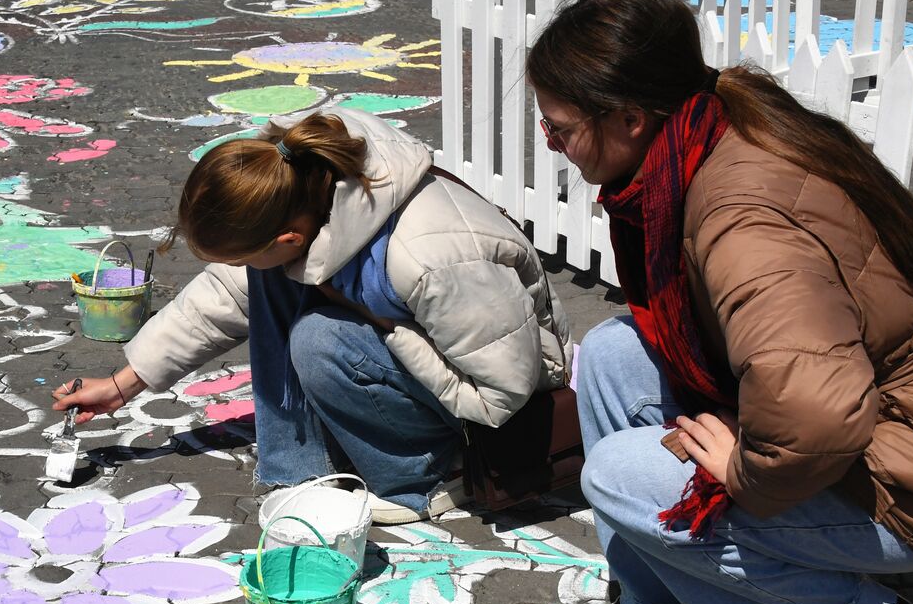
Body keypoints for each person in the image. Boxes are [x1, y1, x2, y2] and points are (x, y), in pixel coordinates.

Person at [527, 0, 913, 604]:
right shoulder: (709, 123)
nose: (549, 141)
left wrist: (741, 474)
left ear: (631, 118)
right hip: (898, 433)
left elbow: (818, 414)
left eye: (561, 127)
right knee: (611, 355)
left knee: (618, 475)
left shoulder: (741, 218)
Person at [52, 109, 572, 525]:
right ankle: (301, 472)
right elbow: (223, 300)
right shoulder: (303, 188)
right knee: (274, 289)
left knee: (320, 340)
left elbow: (506, 389)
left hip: (506, 390)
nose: (241, 270)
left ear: (289, 240)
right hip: (456, 351)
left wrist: (388, 331)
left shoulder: (430, 254)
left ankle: (429, 478)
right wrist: (123, 384)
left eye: (242, 255)